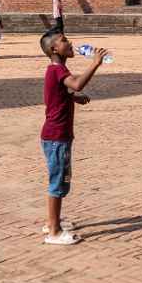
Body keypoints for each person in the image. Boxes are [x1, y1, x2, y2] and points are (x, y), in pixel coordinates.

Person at [39, 30, 108, 245]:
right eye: (64, 41)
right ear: (54, 49)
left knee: (61, 179)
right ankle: (54, 232)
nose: (70, 43)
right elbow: (76, 84)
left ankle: (52, 222)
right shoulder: (57, 70)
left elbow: (60, 92)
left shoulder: (57, 70)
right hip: (56, 136)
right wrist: (95, 63)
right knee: (57, 182)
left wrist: (73, 98)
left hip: (57, 135)